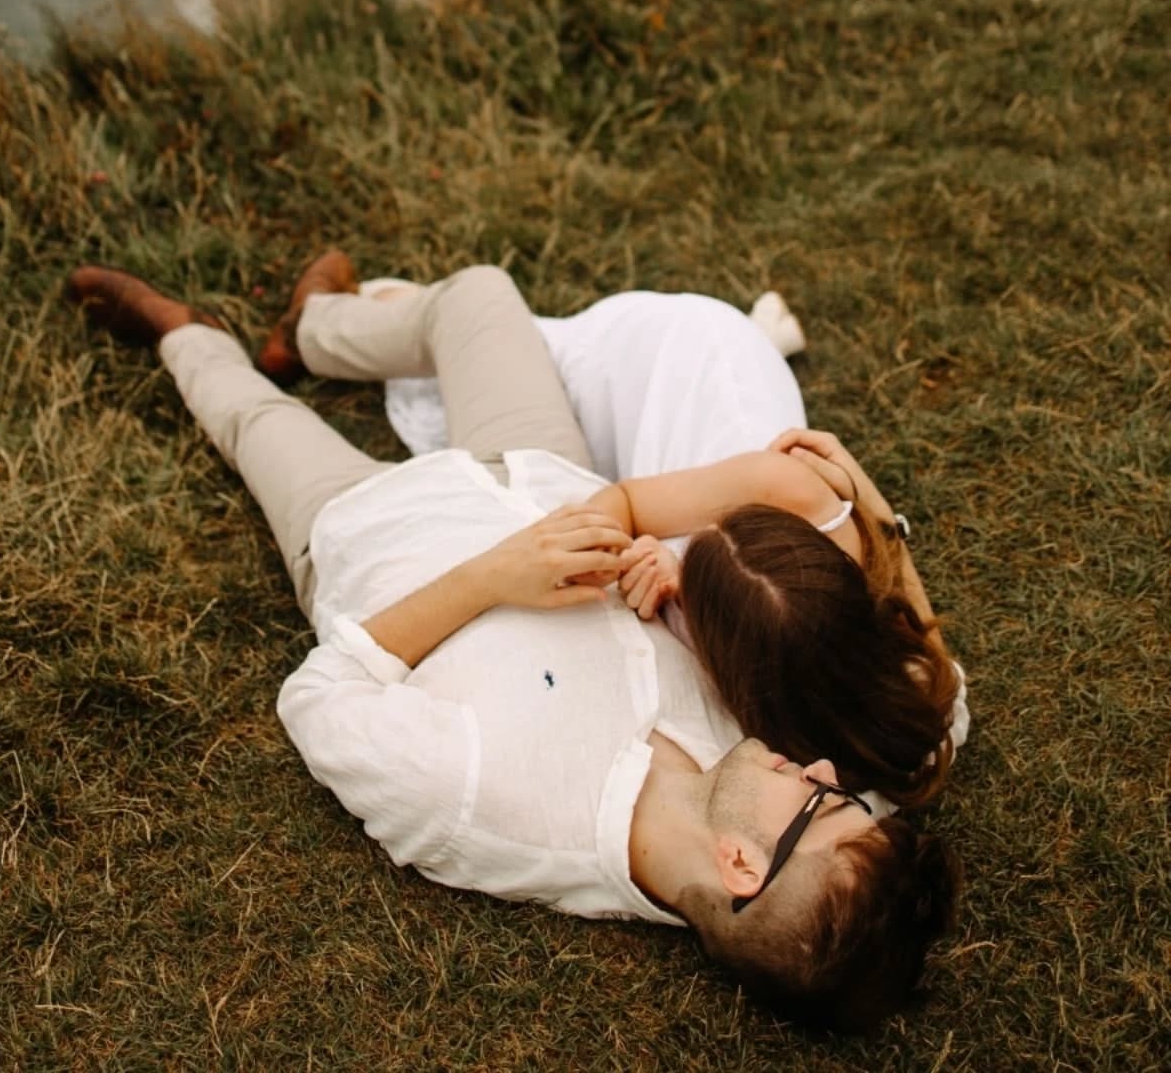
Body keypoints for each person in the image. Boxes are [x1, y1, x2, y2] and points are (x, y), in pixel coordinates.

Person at [66, 258, 961, 1031]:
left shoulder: (480, 809)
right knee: (478, 296)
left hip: (367, 527)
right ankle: (315, 330)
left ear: (739, 865)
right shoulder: (758, 769)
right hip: (539, 470)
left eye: (828, 806)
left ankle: (186, 336)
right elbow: (940, 706)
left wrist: (495, 575)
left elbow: (320, 696)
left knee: (250, 420)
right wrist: (869, 507)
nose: (828, 776)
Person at [263, 262, 964, 808]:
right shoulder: (792, 491)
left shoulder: (809, 729)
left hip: (692, 469)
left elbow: (934, 719)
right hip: (674, 359)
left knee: (490, 337)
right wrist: (873, 512)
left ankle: (344, 321)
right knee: (495, 330)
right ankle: (314, 327)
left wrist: (659, 570)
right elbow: (624, 499)